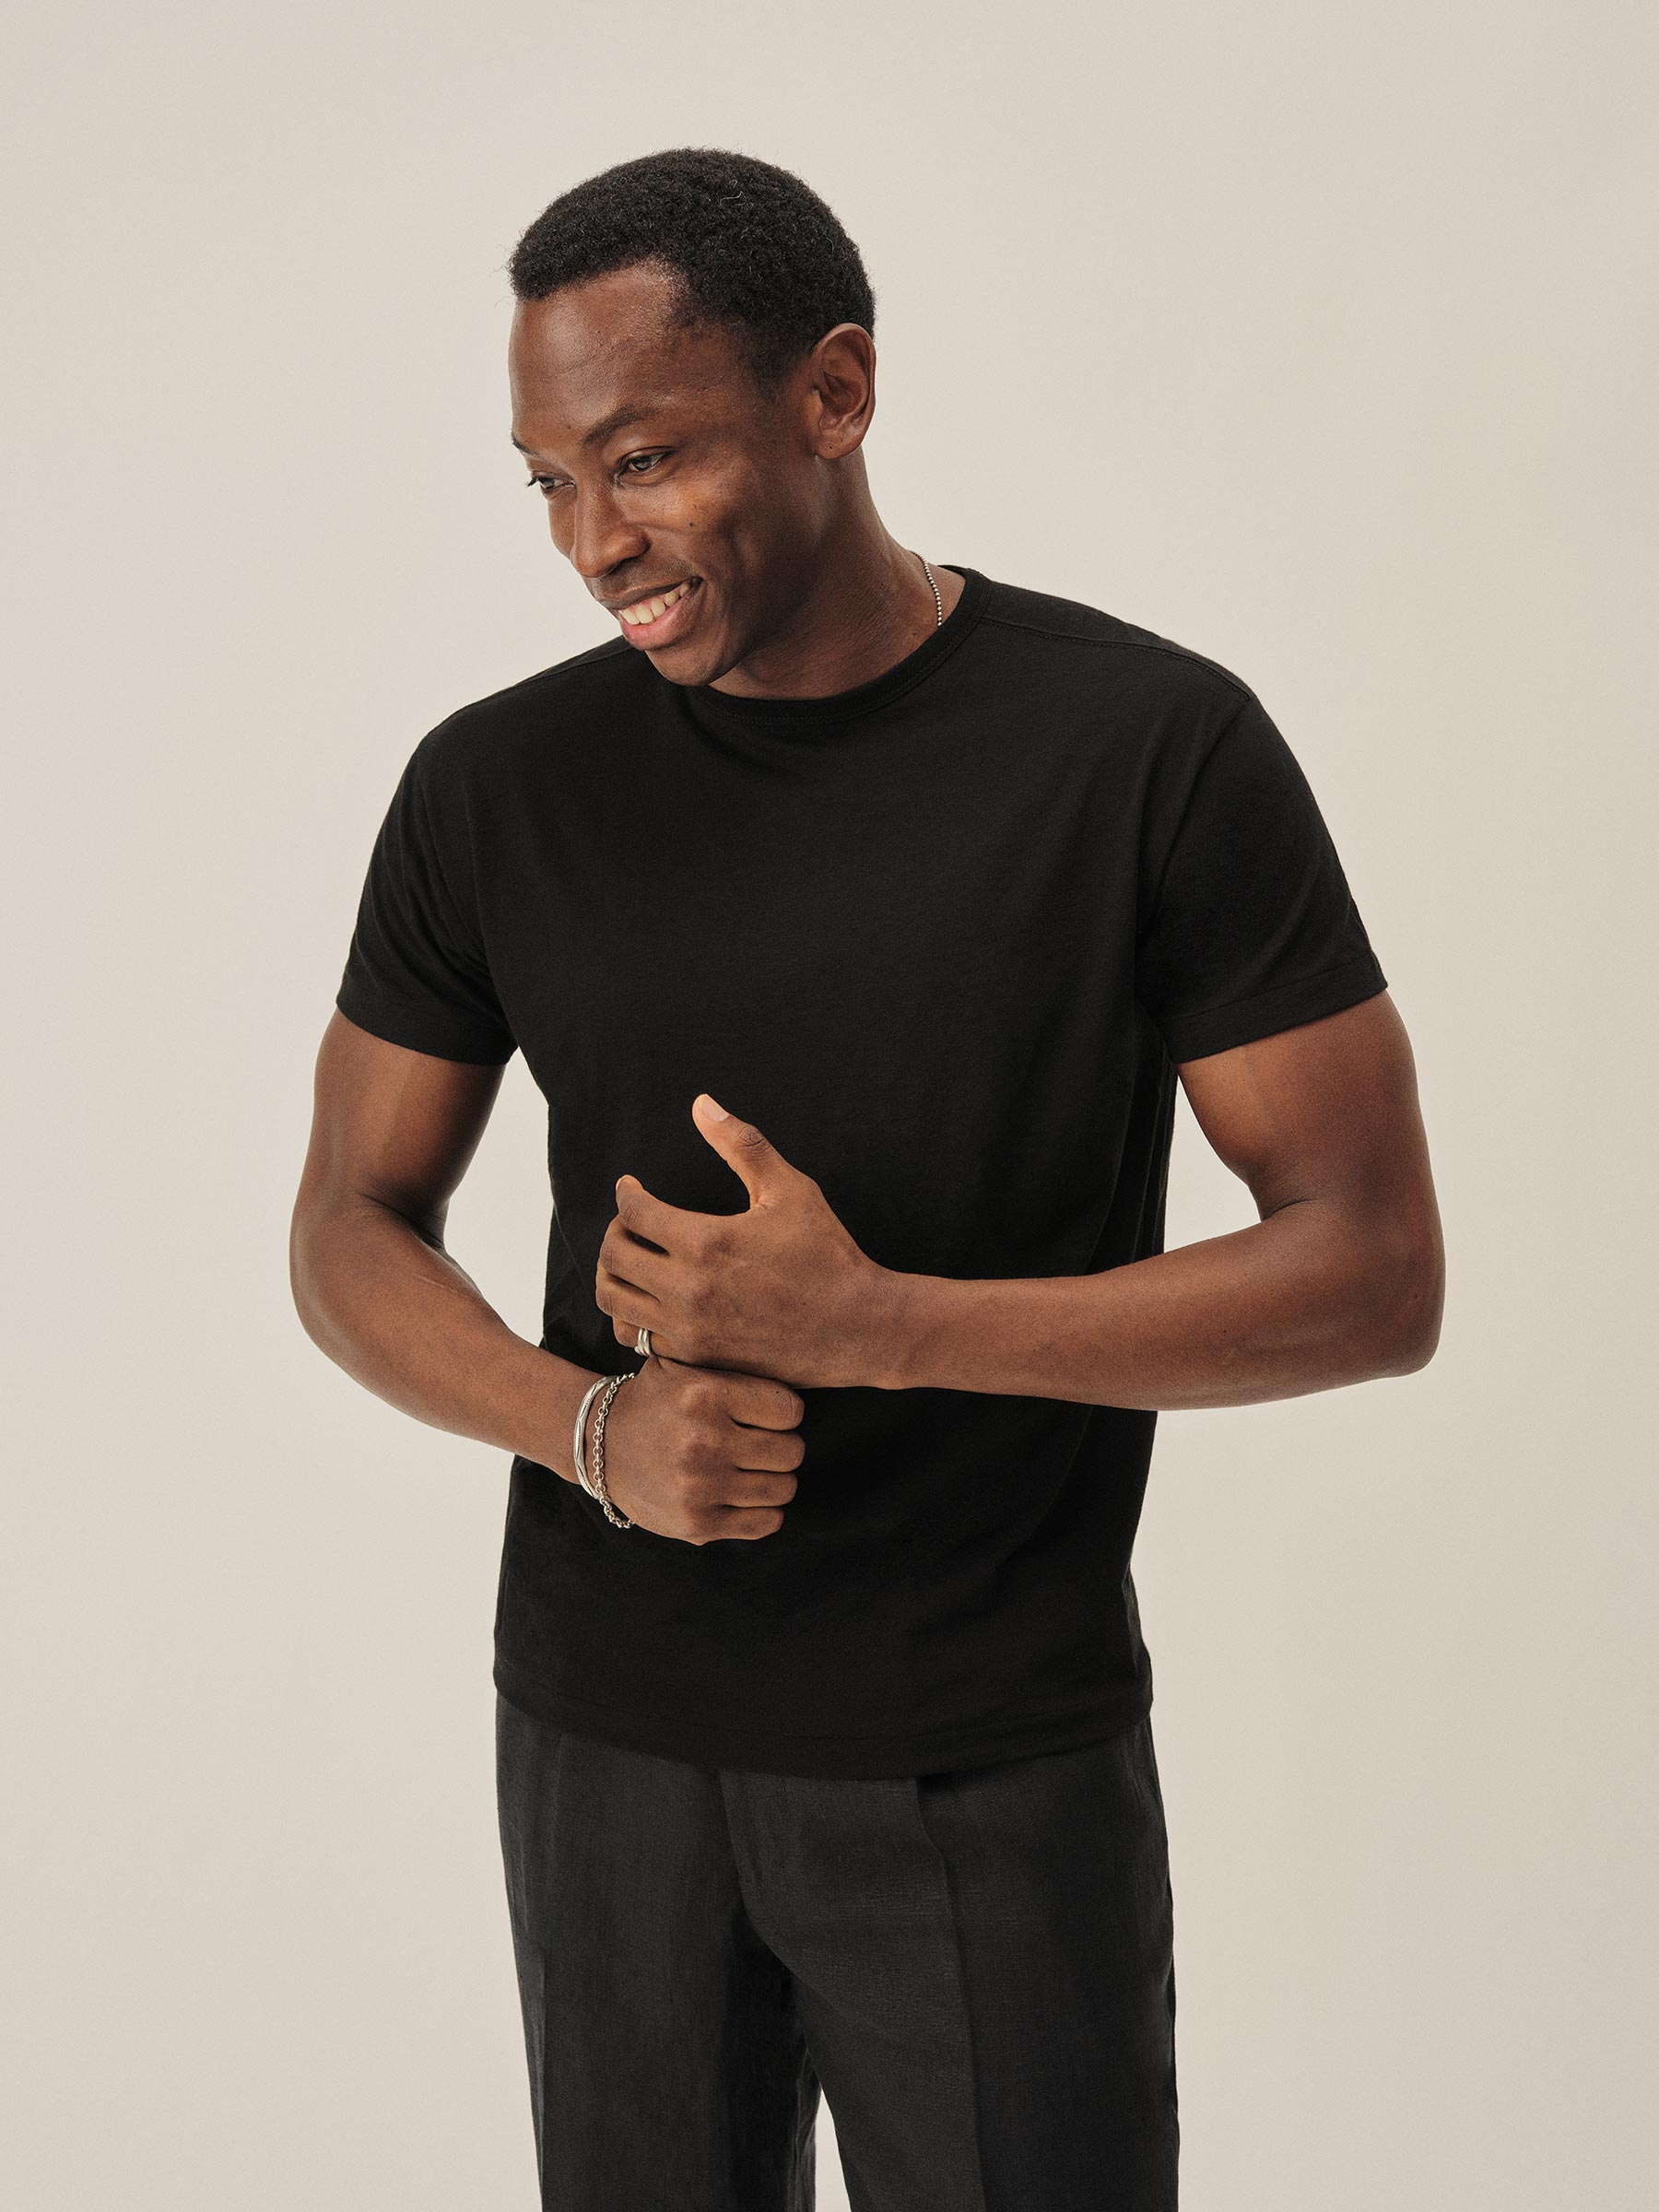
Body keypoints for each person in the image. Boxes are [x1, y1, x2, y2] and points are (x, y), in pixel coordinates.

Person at [289, 147, 1444, 2211]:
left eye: (644, 459)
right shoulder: (495, 784)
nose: (593, 543)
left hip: (990, 1753)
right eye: (548, 481)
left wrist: (881, 1326)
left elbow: (1374, 1275)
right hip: (607, 1747)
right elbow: (343, 1225)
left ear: (835, 392)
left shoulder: (1148, 751)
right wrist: (587, 1430)